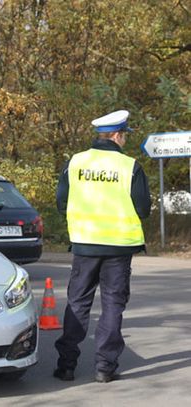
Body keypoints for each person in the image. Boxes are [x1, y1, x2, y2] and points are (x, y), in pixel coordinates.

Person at [53, 110, 151, 383]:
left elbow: (61, 201)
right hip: (118, 247)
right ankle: (105, 368)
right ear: (118, 135)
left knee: (78, 303)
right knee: (112, 306)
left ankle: (66, 365)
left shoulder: (75, 162)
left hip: (84, 244)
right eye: (125, 136)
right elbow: (143, 208)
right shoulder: (130, 166)